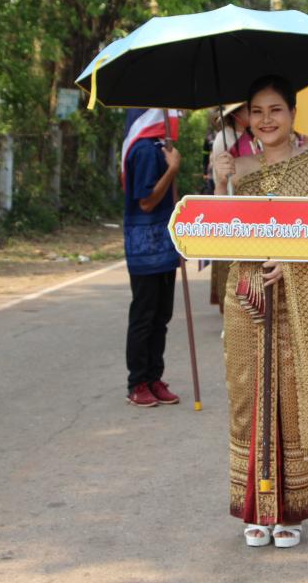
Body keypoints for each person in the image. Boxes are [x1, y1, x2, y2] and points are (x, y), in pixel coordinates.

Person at [212, 75, 308, 549]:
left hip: (297, 300)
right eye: (256, 110)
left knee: (290, 401)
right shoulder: (238, 167)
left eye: (275, 110)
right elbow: (217, 233)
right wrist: (219, 180)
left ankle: (288, 511)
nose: (265, 119)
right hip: (245, 297)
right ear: (245, 117)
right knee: (248, 400)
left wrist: (289, 261)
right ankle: (255, 509)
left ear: (293, 114)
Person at [121, 109, 183, 408]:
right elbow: (146, 202)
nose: (178, 119)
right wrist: (171, 170)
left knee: (162, 315)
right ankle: (138, 382)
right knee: (145, 316)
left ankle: (154, 376)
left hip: (164, 246)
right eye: (174, 114)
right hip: (146, 247)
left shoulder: (160, 148)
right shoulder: (145, 151)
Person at [209, 103, 257, 313]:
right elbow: (219, 177)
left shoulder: (253, 136)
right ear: (237, 115)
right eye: (250, 110)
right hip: (232, 207)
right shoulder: (224, 138)